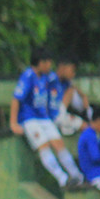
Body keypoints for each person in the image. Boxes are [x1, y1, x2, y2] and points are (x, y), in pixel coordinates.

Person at [10, 47, 84, 188]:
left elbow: (65, 82)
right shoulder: (28, 76)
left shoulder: (46, 77)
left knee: (59, 144)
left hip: (44, 118)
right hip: (29, 119)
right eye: (48, 62)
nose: (51, 65)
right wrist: (13, 123)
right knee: (44, 147)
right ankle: (62, 178)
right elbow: (16, 99)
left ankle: (77, 176)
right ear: (41, 62)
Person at [50, 54, 91, 135]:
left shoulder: (67, 84)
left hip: (61, 117)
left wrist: (83, 96)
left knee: (87, 127)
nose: (73, 74)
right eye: (72, 70)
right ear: (62, 67)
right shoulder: (50, 80)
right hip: (50, 117)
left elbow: (82, 106)